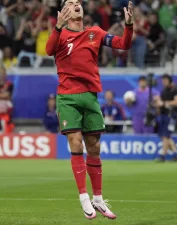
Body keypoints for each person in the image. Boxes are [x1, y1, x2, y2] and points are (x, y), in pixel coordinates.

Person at [45, 0, 133, 220]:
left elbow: (123, 44)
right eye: (71, 2)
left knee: (94, 148)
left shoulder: (95, 32)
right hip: (68, 96)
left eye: (78, 2)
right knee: (75, 142)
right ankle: (84, 197)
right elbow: (48, 50)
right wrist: (58, 26)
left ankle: (98, 199)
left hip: (91, 96)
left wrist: (129, 26)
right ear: (64, 10)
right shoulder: (61, 34)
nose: (76, 4)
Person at [155, 74, 177, 162]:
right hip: (163, 115)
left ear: (170, 81)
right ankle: (175, 154)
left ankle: (162, 155)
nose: (163, 82)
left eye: (165, 81)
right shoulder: (164, 91)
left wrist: (164, 103)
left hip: (171, 115)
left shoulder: (176, 89)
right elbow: (161, 103)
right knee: (164, 136)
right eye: (163, 81)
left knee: (166, 135)